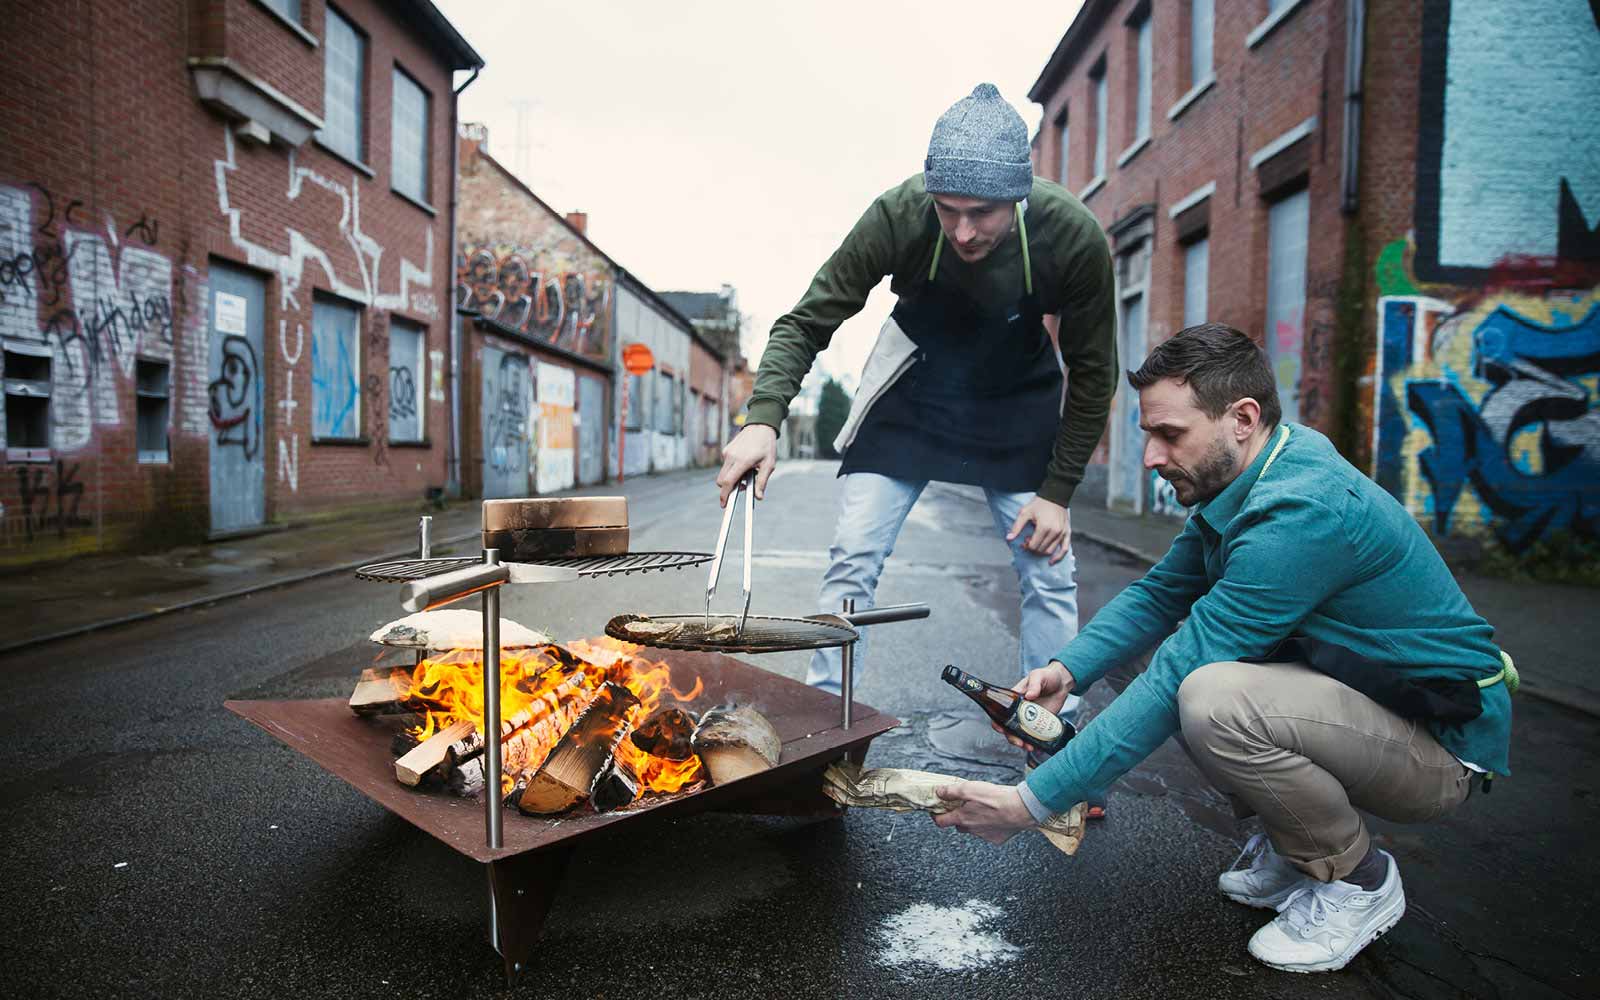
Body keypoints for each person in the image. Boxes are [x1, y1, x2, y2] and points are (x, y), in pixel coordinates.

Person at [931, 323, 1515, 973]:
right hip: (1371, 708)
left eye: (1169, 434)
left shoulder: (1299, 512)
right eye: (1150, 434)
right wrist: (1067, 670)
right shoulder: (1252, 476)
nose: (1150, 456)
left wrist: (1029, 803)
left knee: (1210, 694)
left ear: (1242, 418)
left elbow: (1189, 661)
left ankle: (1358, 879)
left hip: (1437, 747)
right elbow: (1159, 594)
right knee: (1171, 668)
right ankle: (1298, 845)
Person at [716, 84, 1117, 730]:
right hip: (915, 394)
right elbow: (806, 321)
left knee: (1050, 570)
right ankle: (828, 723)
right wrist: (763, 418)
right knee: (852, 556)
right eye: (948, 209)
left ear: (1018, 197)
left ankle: (1052, 733)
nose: (962, 230)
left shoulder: (1072, 237)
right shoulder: (900, 215)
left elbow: (1096, 372)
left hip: (1017, 405)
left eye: (981, 213)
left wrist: (1060, 490)